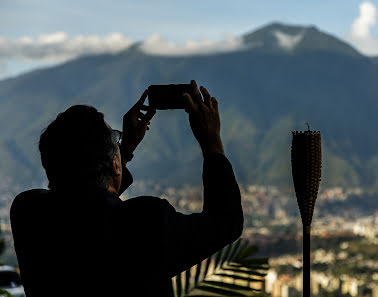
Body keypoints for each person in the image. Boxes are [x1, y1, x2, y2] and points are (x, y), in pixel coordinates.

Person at [10, 80, 243, 297]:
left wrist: (124, 149)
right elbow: (225, 223)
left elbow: (84, 204)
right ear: (114, 164)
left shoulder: (28, 212)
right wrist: (211, 142)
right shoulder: (146, 222)